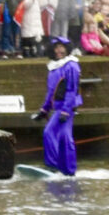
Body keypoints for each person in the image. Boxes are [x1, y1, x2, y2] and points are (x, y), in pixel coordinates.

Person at [39, 38, 81, 176]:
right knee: (63, 136)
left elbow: (72, 90)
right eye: (56, 47)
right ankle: (67, 170)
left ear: (67, 49)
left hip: (66, 108)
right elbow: (50, 91)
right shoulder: (53, 67)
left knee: (50, 133)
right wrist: (44, 109)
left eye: (61, 47)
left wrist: (65, 110)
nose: (59, 51)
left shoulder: (71, 66)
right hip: (58, 108)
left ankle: (54, 166)